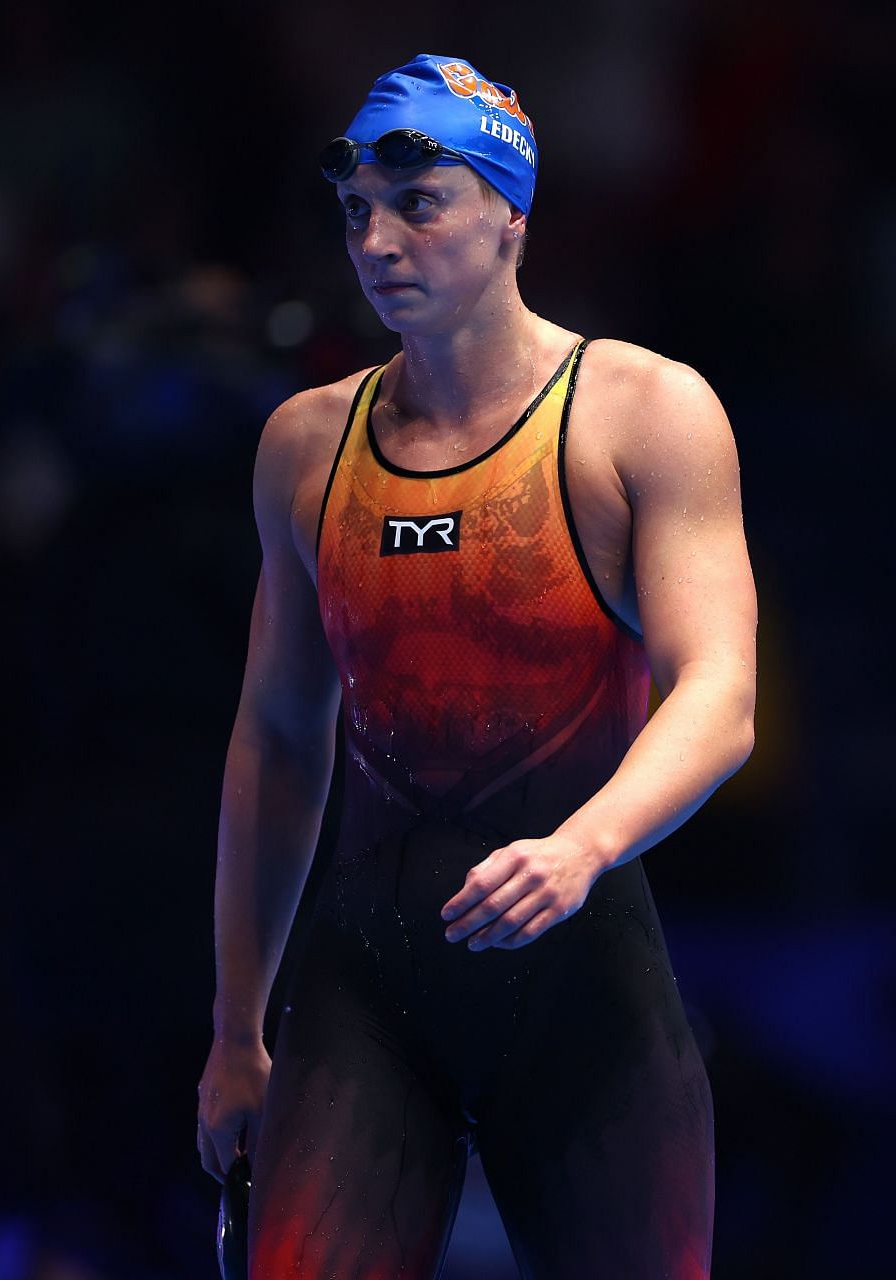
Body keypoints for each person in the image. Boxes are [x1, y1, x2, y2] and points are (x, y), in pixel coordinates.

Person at [192, 53, 756, 1278]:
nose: (378, 242)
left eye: (419, 203)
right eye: (357, 214)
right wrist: (238, 1025)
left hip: (583, 986)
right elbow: (277, 739)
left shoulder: (643, 413)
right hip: (366, 994)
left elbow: (719, 696)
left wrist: (584, 844)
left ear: (512, 214)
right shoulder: (305, 444)